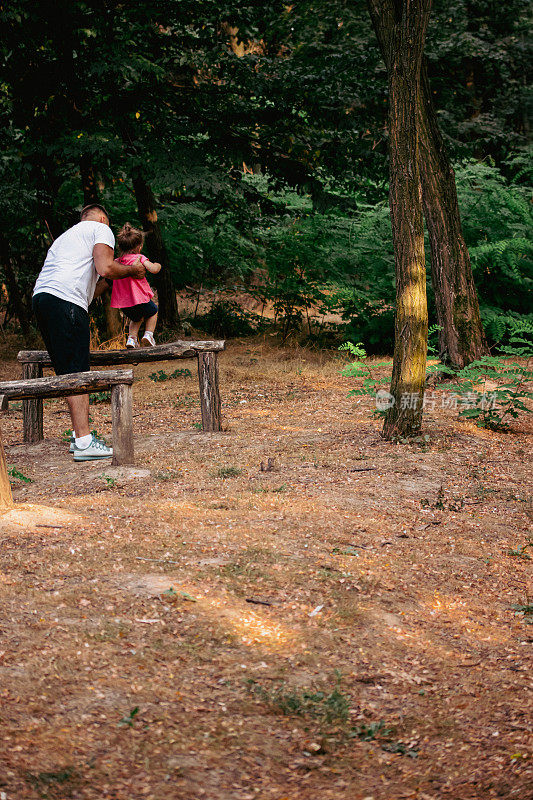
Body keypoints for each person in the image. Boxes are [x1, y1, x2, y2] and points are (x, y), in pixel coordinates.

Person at [32, 204, 146, 461]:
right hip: (66, 302)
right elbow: (106, 267)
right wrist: (131, 270)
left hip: (42, 299)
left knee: (68, 370)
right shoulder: (100, 229)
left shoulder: (67, 238)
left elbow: (95, 288)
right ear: (103, 218)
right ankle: (84, 442)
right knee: (78, 371)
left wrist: (113, 279)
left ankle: (78, 436)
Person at [111, 223, 161, 349]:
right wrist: (157, 265)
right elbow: (153, 269)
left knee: (136, 318)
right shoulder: (139, 257)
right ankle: (148, 335)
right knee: (153, 312)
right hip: (138, 299)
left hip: (124, 303)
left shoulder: (117, 262)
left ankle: (132, 339)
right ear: (138, 247)